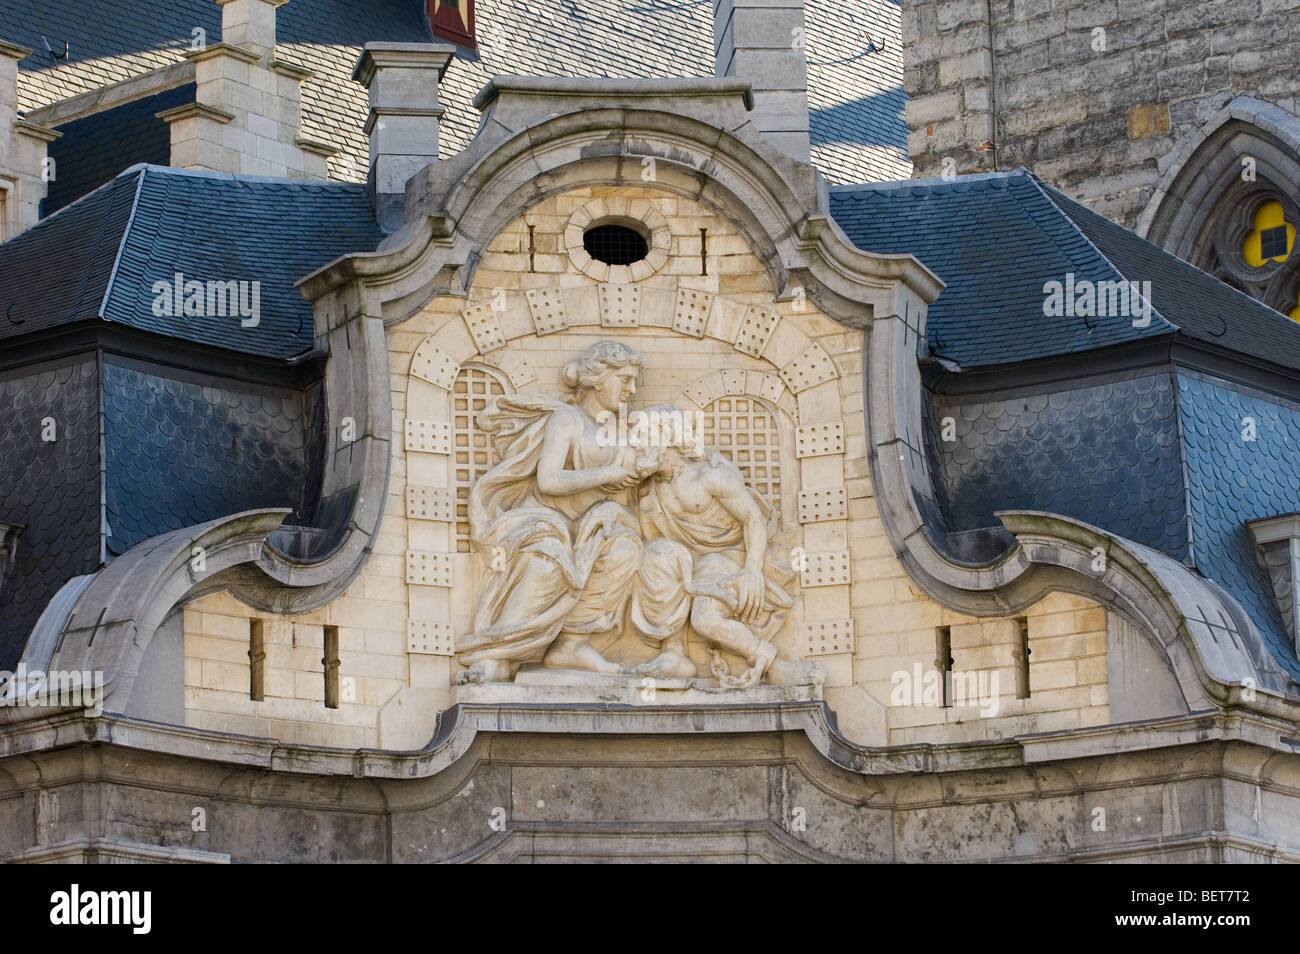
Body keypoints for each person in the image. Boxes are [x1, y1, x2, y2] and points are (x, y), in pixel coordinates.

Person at [454, 342, 662, 683]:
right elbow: (549, 480)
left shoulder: (619, 435)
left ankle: (572, 644)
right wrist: (607, 475)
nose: (632, 389)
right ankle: (497, 652)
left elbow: (624, 502)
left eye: (634, 381)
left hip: (590, 525)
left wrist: (626, 490)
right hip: (544, 519)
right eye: (624, 379)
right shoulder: (567, 420)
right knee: (548, 559)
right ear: (598, 378)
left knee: (626, 549)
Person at [629, 405, 824, 688]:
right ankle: (674, 654)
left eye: (643, 439)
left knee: (706, 620)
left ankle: (772, 663)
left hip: (725, 557)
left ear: (666, 439)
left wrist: (753, 572)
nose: (636, 447)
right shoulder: (649, 488)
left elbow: (752, 518)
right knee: (655, 553)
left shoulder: (710, 475)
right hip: (685, 563)